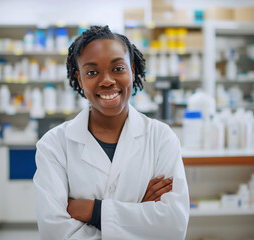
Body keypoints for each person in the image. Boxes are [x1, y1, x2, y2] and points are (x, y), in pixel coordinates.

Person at [33, 25, 189, 240]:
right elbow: (55, 232)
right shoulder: (53, 145)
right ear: (79, 79)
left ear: (132, 70)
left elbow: (174, 226)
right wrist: (139, 216)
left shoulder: (161, 138)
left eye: (118, 69)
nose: (106, 80)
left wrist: (92, 211)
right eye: (92, 72)